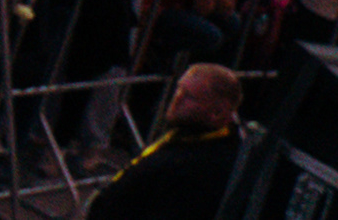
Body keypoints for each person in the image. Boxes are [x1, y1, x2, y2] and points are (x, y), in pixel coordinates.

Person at [84, 63, 242, 220]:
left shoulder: (203, 163)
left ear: (217, 112)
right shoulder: (185, 138)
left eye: (189, 97)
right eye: (179, 89)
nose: (177, 99)